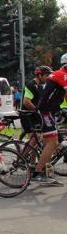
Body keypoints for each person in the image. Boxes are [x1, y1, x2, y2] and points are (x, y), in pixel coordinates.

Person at [34, 55, 67, 185]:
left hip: (49, 111)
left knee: (53, 143)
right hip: (45, 111)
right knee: (52, 143)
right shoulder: (62, 75)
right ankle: (37, 174)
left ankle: (45, 172)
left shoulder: (60, 73)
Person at [20, 66, 52, 141]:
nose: (48, 78)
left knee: (44, 138)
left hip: (34, 116)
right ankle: (24, 153)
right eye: (47, 75)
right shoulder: (31, 85)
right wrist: (37, 110)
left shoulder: (41, 86)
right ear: (40, 75)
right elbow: (26, 102)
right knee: (34, 140)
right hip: (27, 116)